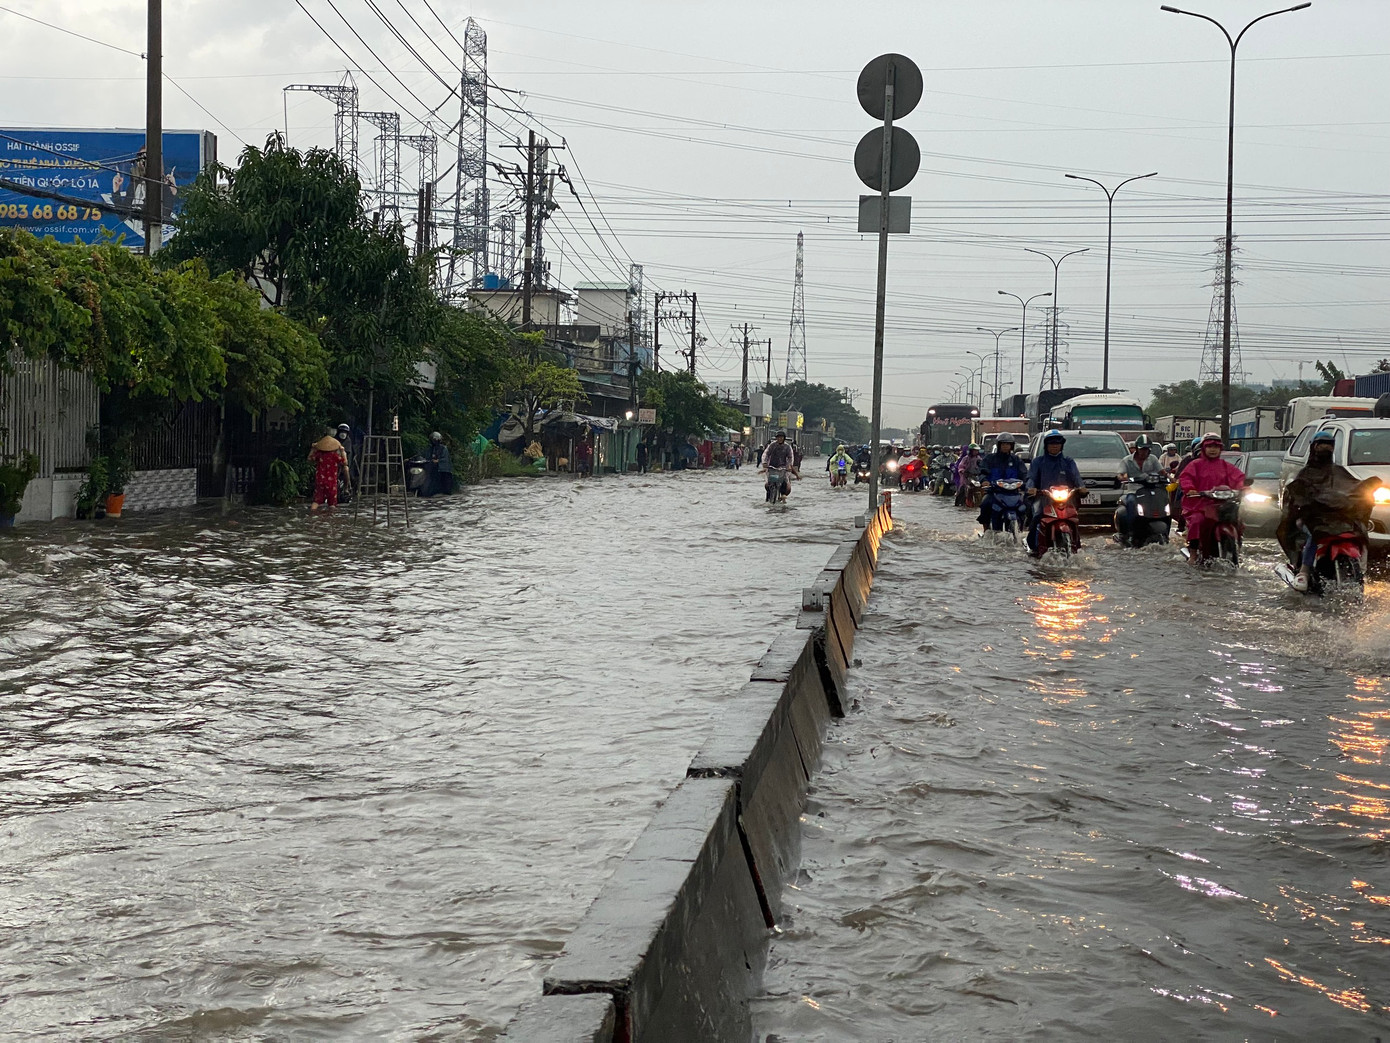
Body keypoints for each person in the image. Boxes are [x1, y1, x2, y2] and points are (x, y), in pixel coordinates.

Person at [1276, 430, 1376, 591]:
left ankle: (1360, 570)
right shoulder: (1305, 473)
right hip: (1312, 519)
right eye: (1321, 444)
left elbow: (1353, 487)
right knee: (1313, 535)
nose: (1325, 448)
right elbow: (1296, 495)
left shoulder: (1340, 472)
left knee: (1358, 533)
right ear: (1314, 447)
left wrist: (1365, 491)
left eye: (1329, 445)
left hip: (1337, 519)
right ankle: (1304, 571)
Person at [1178, 433, 1246, 563]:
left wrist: (1244, 487)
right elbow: (1186, 478)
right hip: (1199, 504)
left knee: (1238, 518)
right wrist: (1190, 488)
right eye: (1209, 446)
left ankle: (1238, 547)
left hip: (1223, 504)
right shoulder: (1195, 465)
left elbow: (1238, 478)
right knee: (1197, 521)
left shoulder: (1225, 465)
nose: (1213, 450)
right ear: (1203, 448)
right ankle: (1193, 553)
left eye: (1216, 447)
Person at [1025, 429, 1084, 553]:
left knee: (1074, 518)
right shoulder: (1038, 462)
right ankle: (1033, 546)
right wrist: (1031, 488)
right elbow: (1031, 478)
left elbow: (1076, 477)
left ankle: (1077, 545)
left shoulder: (1068, 462)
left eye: (1057, 443)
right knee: (1037, 516)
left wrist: (1081, 487)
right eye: (1051, 443)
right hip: (1044, 498)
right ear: (1046, 446)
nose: (1054, 446)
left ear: (1061, 445)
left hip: (1066, 499)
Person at [1116, 434, 1165, 544]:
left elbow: (1162, 471)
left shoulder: (1153, 459)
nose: (1144, 452)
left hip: (1151, 490)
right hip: (1134, 491)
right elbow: (1121, 474)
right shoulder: (1127, 460)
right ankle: (1130, 532)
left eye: (1146, 449)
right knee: (1131, 502)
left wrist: (1171, 478)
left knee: (1163, 502)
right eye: (1142, 449)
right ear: (1137, 449)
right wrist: (1124, 477)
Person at [976, 434, 1027, 530]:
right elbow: (982, 471)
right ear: (999, 445)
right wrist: (984, 481)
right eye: (1003, 444)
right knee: (985, 504)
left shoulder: (1016, 460)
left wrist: (1027, 484)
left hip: (1014, 494)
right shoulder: (989, 458)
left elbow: (1024, 474)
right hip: (994, 492)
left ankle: (1024, 527)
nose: (1005, 446)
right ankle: (986, 529)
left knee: (1026, 505)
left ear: (1011, 446)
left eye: (1008, 444)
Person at [308, 427, 348, 511]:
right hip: (331, 482)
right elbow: (345, 463)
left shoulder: (319, 454)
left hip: (320, 481)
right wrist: (343, 452)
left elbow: (309, 459)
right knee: (332, 503)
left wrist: (313, 449)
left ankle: (311, 514)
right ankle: (331, 518)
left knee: (316, 501)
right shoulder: (335, 456)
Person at [758, 430, 799, 500]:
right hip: (772, 467)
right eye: (778, 437)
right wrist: (764, 463)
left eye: (781, 437)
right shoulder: (772, 445)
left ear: (784, 438)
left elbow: (790, 457)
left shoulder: (787, 447)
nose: (780, 439)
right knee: (768, 484)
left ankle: (783, 494)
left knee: (784, 481)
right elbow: (766, 454)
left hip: (783, 468)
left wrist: (789, 465)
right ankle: (768, 497)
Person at [425, 431, 454, 495]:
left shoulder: (443, 448)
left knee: (446, 489)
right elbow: (426, 456)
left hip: (444, 471)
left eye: (435, 440)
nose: (434, 441)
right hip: (433, 469)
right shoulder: (430, 448)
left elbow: (445, 459)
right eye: (433, 440)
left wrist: (438, 461)